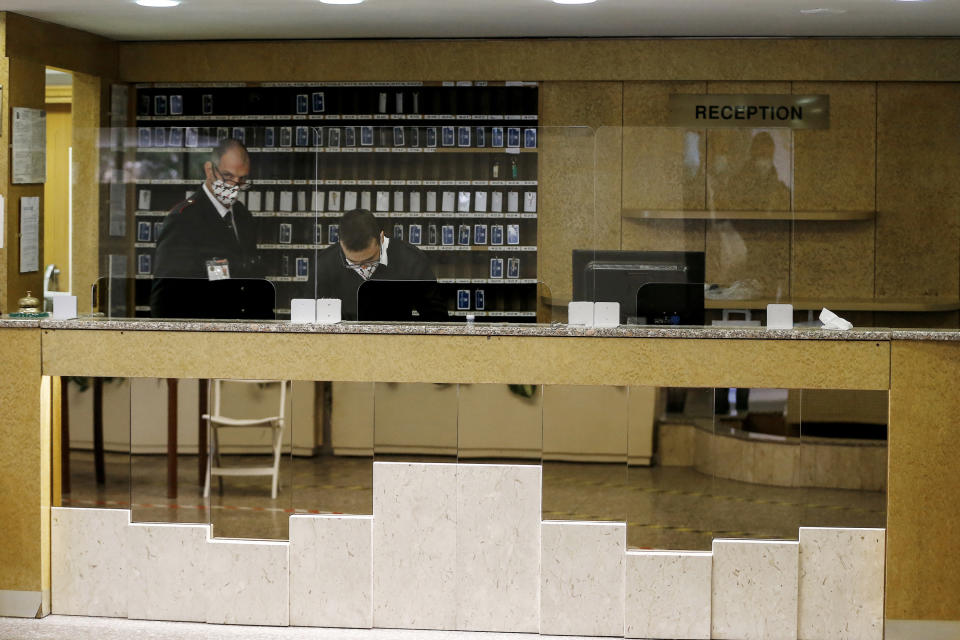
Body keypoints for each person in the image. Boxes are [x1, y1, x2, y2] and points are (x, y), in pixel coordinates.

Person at [150, 139, 268, 318]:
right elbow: (166, 296)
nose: (233, 186)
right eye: (228, 176)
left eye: (242, 179)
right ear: (209, 170)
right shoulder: (184, 219)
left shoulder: (243, 217)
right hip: (201, 330)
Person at [315, 209, 446, 321]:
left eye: (370, 259)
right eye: (353, 263)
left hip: (397, 344)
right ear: (341, 244)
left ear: (381, 238)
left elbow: (437, 317)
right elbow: (309, 317)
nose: (364, 268)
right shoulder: (324, 263)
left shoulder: (412, 260)